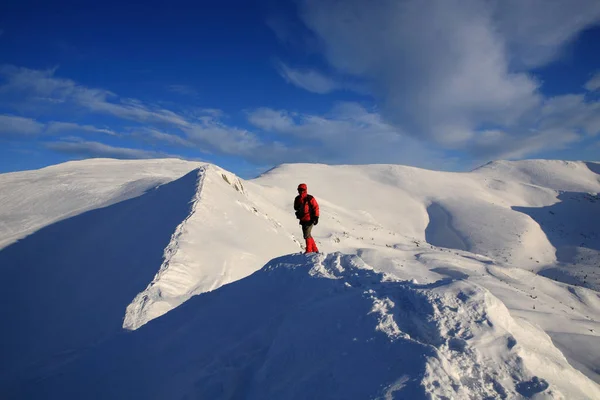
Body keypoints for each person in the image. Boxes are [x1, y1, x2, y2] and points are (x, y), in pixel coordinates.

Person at [294, 183, 320, 253]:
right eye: (299, 190)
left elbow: (316, 207)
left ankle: (309, 250)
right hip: (303, 220)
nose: (300, 191)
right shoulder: (297, 199)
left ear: (305, 190)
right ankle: (315, 250)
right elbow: (295, 208)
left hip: (310, 219)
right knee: (308, 235)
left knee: (306, 235)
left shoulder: (310, 198)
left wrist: (316, 217)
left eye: (301, 190)